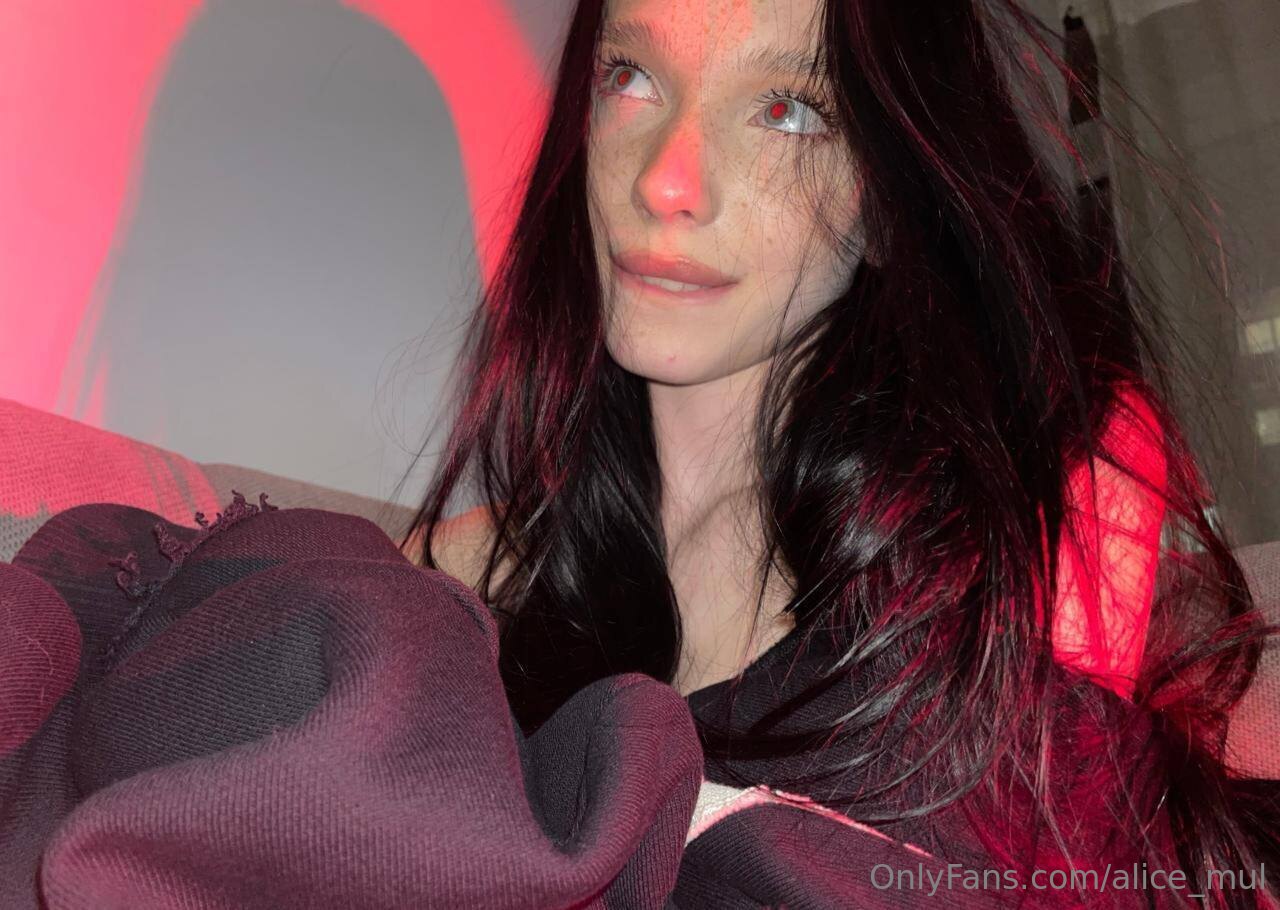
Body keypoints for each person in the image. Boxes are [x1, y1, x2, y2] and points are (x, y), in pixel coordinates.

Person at [394, 0, 1280, 905]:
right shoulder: (444, 583)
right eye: (630, 77)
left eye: (788, 110)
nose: (666, 182)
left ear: (890, 197)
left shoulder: (1021, 565)